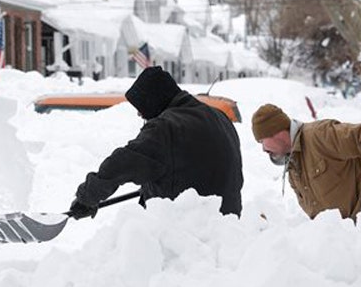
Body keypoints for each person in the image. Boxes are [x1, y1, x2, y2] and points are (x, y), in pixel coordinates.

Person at [69, 66, 244, 219]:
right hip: (228, 229)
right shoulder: (220, 118)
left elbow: (122, 163)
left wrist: (87, 197)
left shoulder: (166, 127)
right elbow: (195, 166)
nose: (140, 115)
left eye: (141, 108)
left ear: (154, 101)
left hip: (188, 234)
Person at [251, 103, 361, 220]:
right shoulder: (293, 169)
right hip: (341, 243)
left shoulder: (321, 136)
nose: (264, 149)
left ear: (276, 132)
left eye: (262, 141)